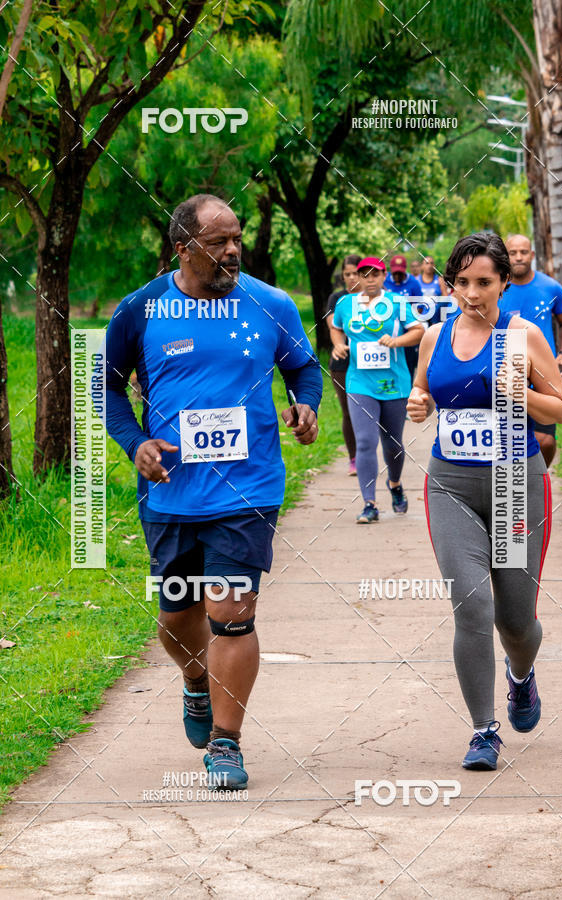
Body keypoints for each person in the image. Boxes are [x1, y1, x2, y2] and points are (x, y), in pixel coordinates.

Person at [104, 194, 321, 788]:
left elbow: (302, 366)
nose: (232, 250)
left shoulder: (269, 303)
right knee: (177, 619)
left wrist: (306, 405)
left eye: (237, 239)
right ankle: (196, 681)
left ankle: (226, 743)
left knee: (230, 610)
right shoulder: (141, 310)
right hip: (171, 493)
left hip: (248, 489)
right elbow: (107, 387)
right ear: (182, 248)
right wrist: (134, 443)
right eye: (219, 241)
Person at [408, 232, 562, 771]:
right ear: (450, 283)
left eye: (484, 282)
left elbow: (560, 411)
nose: (472, 293)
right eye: (462, 282)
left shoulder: (521, 336)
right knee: (471, 605)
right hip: (451, 481)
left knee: (517, 622)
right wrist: (418, 401)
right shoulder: (435, 335)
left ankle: (520, 677)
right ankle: (483, 731)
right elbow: (426, 390)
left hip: (513, 483)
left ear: (502, 283)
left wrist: (521, 393)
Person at [331, 256, 424, 523]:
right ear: (358, 277)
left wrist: (396, 341)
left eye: (375, 274)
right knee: (365, 442)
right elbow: (336, 328)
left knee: (392, 444)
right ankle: (369, 503)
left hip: (394, 383)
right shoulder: (345, 304)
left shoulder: (397, 303)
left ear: (383, 276)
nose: (370, 279)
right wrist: (338, 345)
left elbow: (419, 331)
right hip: (359, 382)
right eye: (365, 274)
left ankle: (394, 484)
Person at [500, 234, 562, 466]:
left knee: (545, 441)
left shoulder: (551, 287)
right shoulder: (498, 288)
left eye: (524, 252)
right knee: (506, 442)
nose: (519, 257)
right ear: (506, 256)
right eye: (513, 252)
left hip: (543, 375)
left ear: (532, 255)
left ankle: (539, 479)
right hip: (505, 373)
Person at [325, 255, 361, 475]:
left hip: (370, 365)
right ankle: (354, 459)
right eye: (347, 274)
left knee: (368, 412)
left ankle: (368, 453)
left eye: (355, 273)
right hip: (342, 363)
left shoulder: (374, 299)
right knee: (348, 412)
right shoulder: (337, 298)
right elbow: (333, 324)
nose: (351, 278)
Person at [383, 254, 424, 382]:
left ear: (405, 271)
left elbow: (420, 306)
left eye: (400, 274)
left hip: (407, 331)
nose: (396, 277)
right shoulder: (384, 281)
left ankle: (407, 390)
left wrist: (406, 317)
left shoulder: (413, 283)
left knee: (408, 364)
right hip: (388, 329)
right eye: (394, 273)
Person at [417, 255, 450, 325]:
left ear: (434, 266)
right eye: (427, 263)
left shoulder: (440, 280)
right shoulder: (416, 280)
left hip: (436, 316)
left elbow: (446, 298)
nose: (429, 266)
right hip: (421, 315)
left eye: (431, 263)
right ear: (422, 266)